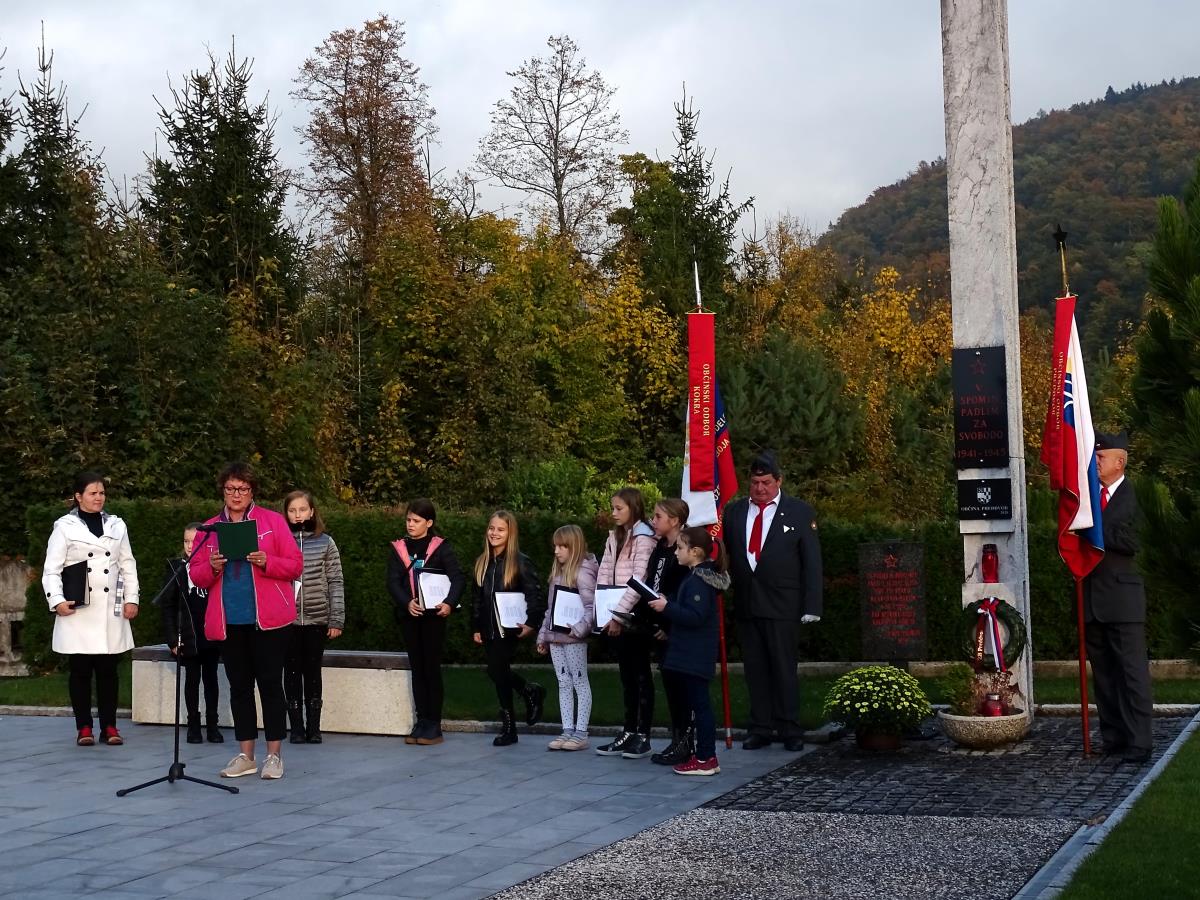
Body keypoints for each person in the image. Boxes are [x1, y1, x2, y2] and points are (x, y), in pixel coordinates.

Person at [189, 461, 303, 780]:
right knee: (239, 687)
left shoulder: (272, 521)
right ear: (222, 491)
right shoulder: (209, 529)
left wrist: (268, 561)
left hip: (269, 620)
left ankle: (274, 755)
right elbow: (196, 575)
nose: (236, 494)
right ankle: (246, 755)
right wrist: (211, 566)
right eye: (230, 488)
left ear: (252, 491)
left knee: (270, 685)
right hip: (229, 619)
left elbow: (295, 565)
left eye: (242, 488)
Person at [721, 451, 822, 751]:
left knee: (783, 668)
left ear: (779, 481)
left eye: (766, 482)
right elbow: (726, 554)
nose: (760, 488)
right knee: (755, 669)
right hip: (748, 603)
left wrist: (812, 605)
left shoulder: (799, 511)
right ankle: (760, 727)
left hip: (783, 604)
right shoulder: (735, 512)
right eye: (755, 482)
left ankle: (789, 727)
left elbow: (812, 562)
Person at [42, 471, 140, 746]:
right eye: (93, 493)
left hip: (110, 610)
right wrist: (56, 600)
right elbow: (51, 569)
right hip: (78, 611)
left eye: (102, 493)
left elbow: (128, 564)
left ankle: (109, 726)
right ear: (78, 496)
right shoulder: (65, 527)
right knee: (81, 671)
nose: (99, 497)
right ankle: (83, 726)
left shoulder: (117, 525)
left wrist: (132, 598)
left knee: (109, 671)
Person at [1084, 431, 1154, 763]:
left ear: (1119, 461)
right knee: (1104, 676)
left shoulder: (1135, 498)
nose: (1095, 462)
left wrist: (1094, 528)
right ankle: (1113, 738)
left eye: (1101, 457)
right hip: (1091, 598)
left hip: (1123, 601)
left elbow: (1133, 541)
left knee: (1131, 674)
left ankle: (1139, 742)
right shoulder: (1086, 497)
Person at [648, 526, 730, 776]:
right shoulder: (695, 577)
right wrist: (669, 602)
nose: (676, 552)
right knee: (698, 704)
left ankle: (706, 758)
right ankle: (705, 756)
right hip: (692, 653)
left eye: (681, 548)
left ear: (695, 552)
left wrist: (667, 607)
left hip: (695, 654)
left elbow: (695, 616)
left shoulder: (698, 581)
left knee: (700, 706)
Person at [387, 498, 466, 746]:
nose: (410, 524)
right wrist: (406, 603)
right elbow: (393, 581)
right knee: (417, 669)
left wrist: (449, 603)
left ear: (429, 523)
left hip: (433, 618)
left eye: (416, 520)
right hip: (410, 617)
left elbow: (458, 578)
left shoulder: (441, 547)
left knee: (431, 669)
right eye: (408, 520)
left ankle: (434, 723)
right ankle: (421, 720)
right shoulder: (399, 548)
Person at [471, 510, 546, 746]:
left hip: (509, 626)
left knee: (496, 669)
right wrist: (476, 626)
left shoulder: (520, 562)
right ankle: (528, 691)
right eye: (491, 528)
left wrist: (532, 622)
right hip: (488, 627)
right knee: (496, 671)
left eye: (500, 529)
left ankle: (510, 727)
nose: (494, 533)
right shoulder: (482, 562)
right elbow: (477, 599)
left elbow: (534, 594)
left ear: (510, 533)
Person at [595, 488, 657, 759]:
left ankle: (643, 735)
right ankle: (628, 730)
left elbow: (639, 579)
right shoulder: (615, 537)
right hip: (615, 615)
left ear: (633, 507)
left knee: (641, 675)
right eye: (613, 508)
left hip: (635, 617)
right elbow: (604, 573)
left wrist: (618, 615)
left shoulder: (644, 538)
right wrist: (602, 612)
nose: (614, 513)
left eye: (619, 508)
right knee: (627, 676)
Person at [283, 490, 345, 745]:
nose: (297, 515)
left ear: (311, 511)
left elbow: (335, 580)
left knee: (312, 672)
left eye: (302, 509)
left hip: (317, 618)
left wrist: (336, 619)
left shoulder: (325, 542)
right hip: (287, 621)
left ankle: (314, 727)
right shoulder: (279, 541)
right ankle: (296, 727)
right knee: (291, 672)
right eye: (292, 510)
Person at [158, 523, 223, 744]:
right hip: (188, 635)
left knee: (211, 679)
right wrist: (172, 640)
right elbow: (168, 606)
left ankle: (213, 725)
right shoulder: (177, 568)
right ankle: (193, 724)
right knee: (192, 680)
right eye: (186, 541)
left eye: (194, 541)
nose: (189, 546)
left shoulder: (214, 565)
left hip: (209, 633)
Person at [536, 525, 598, 751]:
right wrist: (543, 636)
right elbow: (550, 609)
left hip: (573, 639)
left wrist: (579, 629)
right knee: (563, 682)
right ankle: (567, 729)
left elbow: (591, 607)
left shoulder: (583, 574)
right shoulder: (557, 575)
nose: (557, 551)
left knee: (579, 681)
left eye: (562, 546)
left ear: (574, 546)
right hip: (556, 638)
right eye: (555, 546)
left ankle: (581, 732)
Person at [642, 499, 693, 766]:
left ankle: (686, 741)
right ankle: (677, 739)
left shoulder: (684, 552)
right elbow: (654, 581)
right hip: (658, 623)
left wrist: (669, 625)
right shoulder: (660, 548)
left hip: (676, 626)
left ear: (674, 520)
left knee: (682, 689)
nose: (654, 521)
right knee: (670, 686)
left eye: (658, 516)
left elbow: (685, 591)